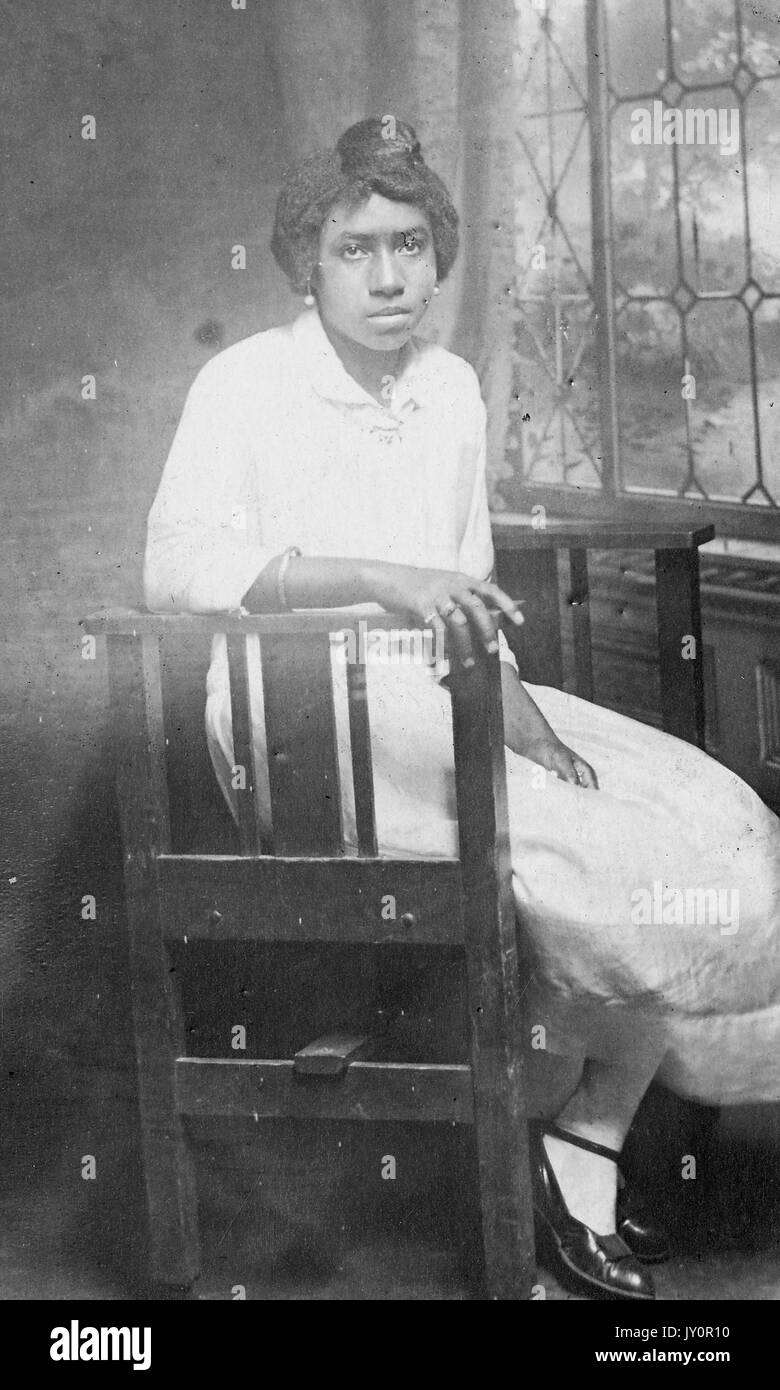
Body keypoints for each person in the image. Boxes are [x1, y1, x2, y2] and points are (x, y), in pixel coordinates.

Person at [144, 116, 780, 1301]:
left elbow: (467, 578)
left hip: (449, 688)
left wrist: (522, 713)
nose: (390, 277)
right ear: (306, 264)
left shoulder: (448, 389)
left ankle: (579, 1141)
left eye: (410, 245)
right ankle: (559, 1155)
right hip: (305, 724)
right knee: (601, 860)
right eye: (355, 249)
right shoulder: (244, 383)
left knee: (711, 820)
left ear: (439, 254)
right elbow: (176, 567)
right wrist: (375, 575)